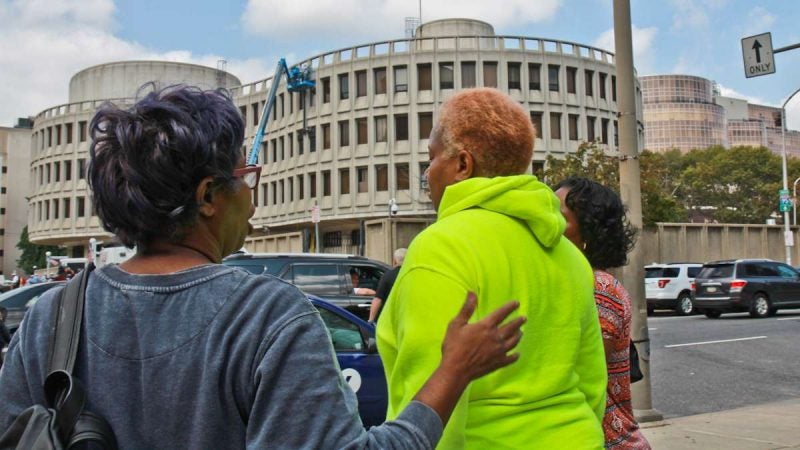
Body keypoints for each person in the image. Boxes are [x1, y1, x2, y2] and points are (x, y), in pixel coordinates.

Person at [0, 85, 525, 449]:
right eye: (245, 176)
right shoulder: (266, 318)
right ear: (209, 196)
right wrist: (452, 373)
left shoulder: (52, 317)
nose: (252, 197)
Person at [378, 88, 607, 449]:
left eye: (432, 157)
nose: (427, 172)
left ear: (462, 165)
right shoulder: (568, 254)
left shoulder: (442, 248)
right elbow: (593, 380)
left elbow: (427, 395)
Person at [554, 177, 651, 450]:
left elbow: (580, 369)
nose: (548, 222)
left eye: (559, 216)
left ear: (589, 232)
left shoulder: (599, 287)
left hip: (606, 440)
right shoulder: (574, 282)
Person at [368, 247, 406, 323]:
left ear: (394, 261)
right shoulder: (415, 275)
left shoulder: (388, 276)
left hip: (392, 317)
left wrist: (371, 320)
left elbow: (378, 299)